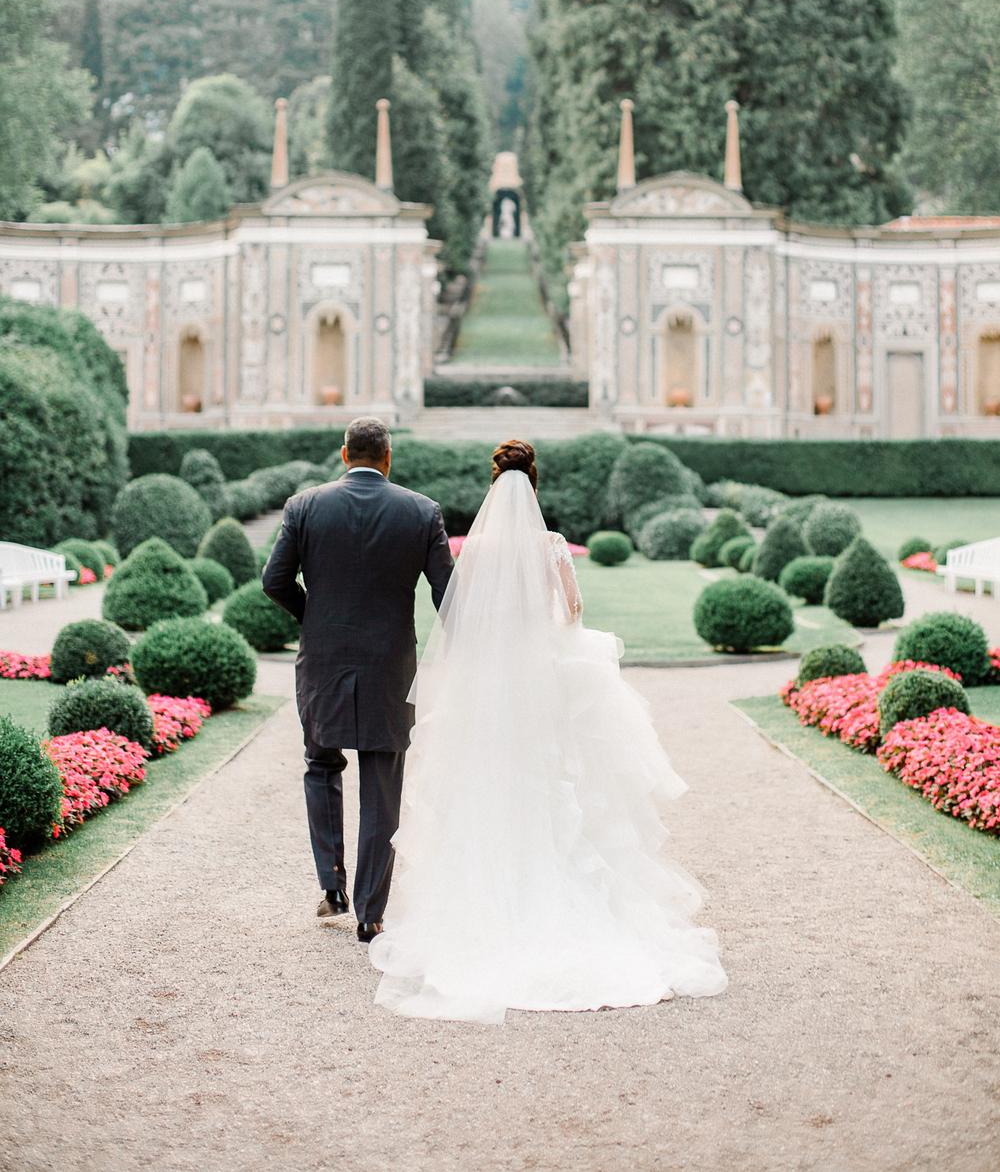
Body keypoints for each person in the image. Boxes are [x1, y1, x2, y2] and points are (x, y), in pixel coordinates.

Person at [368, 438, 727, 1022]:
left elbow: (460, 612)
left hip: (493, 681)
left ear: (493, 482)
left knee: (491, 780)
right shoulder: (551, 545)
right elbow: (574, 610)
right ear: (534, 483)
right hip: (541, 674)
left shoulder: (478, 546)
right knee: (555, 778)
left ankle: (488, 903)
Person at [262, 415, 453, 943]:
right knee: (382, 783)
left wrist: (314, 617)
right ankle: (371, 913)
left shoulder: (304, 506)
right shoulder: (421, 511)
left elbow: (273, 580)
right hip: (390, 665)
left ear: (344, 455)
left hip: (323, 660)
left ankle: (332, 887)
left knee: (320, 764)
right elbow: (449, 597)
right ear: (388, 460)